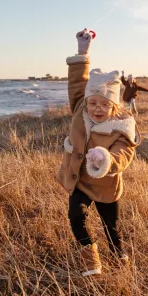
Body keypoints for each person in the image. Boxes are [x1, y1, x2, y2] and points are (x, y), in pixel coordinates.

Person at [56, 29, 141, 277]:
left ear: (114, 105)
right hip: (80, 180)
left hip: (105, 184)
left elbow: (123, 155)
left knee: (111, 225)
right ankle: (91, 261)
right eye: (93, 103)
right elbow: (77, 83)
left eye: (105, 105)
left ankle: (118, 253)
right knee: (76, 217)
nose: (97, 109)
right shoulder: (80, 108)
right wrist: (83, 52)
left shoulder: (122, 125)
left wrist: (106, 159)